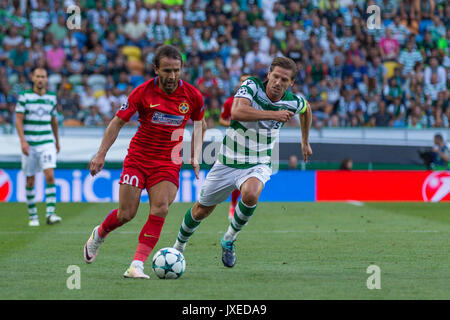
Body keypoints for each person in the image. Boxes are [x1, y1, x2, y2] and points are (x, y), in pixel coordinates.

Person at [173, 57, 312, 268]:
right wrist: (274, 114)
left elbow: (307, 110)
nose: (278, 82)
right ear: (268, 74)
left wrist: (305, 141)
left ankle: (229, 239)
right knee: (202, 210)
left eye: (284, 79)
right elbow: (236, 112)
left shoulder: (293, 101)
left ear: (291, 83)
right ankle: (178, 247)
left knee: (251, 193)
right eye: (275, 76)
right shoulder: (252, 86)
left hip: (258, 162)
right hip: (228, 161)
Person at [83, 45, 206, 279]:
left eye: (176, 71)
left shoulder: (192, 96)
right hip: (138, 159)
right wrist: (101, 154)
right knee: (126, 214)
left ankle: (136, 265)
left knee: (161, 208)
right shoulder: (142, 93)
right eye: (167, 70)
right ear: (156, 69)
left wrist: (196, 154)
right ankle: (99, 234)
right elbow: (117, 122)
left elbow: (200, 124)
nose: (172, 76)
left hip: (168, 162)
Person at [15, 67, 62, 227]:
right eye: (38, 76)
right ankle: (33, 215)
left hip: (46, 142)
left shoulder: (51, 97)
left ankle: (50, 214)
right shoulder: (25, 96)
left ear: (47, 79)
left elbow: (54, 121)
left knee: (49, 174)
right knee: (30, 180)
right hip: (30, 144)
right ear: (33, 78)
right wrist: (22, 141)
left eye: (43, 76)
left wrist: (56, 141)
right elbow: (18, 120)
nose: (40, 79)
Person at [219, 73, 251, 221]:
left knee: (245, 175)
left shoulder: (257, 102)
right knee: (234, 173)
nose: (244, 83)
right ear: (238, 84)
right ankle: (233, 205)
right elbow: (221, 119)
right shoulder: (229, 102)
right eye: (242, 81)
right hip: (234, 141)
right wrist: (231, 124)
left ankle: (236, 204)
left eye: (247, 81)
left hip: (252, 143)